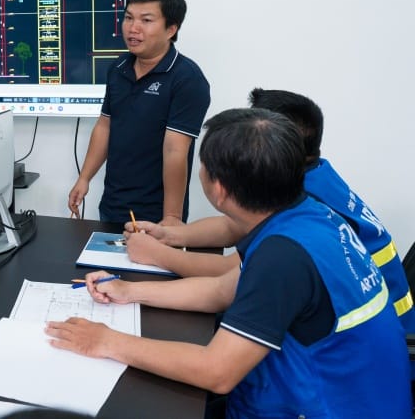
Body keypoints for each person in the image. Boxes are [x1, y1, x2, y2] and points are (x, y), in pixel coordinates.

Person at [47, 109, 411, 417]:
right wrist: (129, 291)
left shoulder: (283, 256)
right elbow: (223, 290)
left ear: (218, 190)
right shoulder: (307, 214)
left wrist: (107, 341)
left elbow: (217, 371)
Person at [124, 88, 415, 331]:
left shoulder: (306, 199)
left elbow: (233, 273)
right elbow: (232, 226)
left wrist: (158, 255)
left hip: (371, 334)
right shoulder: (313, 174)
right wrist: (170, 235)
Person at [67, 0, 209, 225]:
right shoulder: (118, 68)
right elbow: (105, 126)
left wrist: (172, 217)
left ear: (171, 29)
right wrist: (84, 178)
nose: (133, 28)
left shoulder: (187, 79)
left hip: (157, 214)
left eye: (146, 20)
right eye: (129, 18)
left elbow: (175, 150)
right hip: (112, 204)